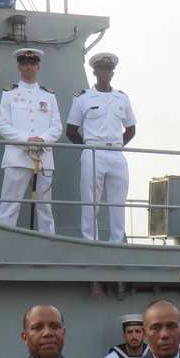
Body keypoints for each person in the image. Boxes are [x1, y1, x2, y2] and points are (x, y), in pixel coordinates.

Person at [67, 51, 136, 243]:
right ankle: (91, 241)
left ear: (113, 73)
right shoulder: (83, 98)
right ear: (94, 72)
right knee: (90, 202)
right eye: (101, 69)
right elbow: (71, 130)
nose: (105, 73)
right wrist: (88, 147)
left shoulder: (122, 98)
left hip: (116, 154)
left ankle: (117, 242)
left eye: (108, 70)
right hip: (93, 152)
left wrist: (117, 145)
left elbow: (131, 129)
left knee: (118, 202)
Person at [0, 48, 63, 234]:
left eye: (32, 64)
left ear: (38, 67)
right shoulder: (9, 94)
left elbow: (57, 126)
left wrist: (42, 139)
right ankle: (2, 242)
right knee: (9, 205)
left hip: (43, 159)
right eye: (25, 64)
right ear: (19, 67)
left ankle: (48, 243)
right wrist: (26, 140)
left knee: (45, 207)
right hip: (17, 158)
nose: (29, 67)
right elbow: (3, 125)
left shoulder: (48, 96)